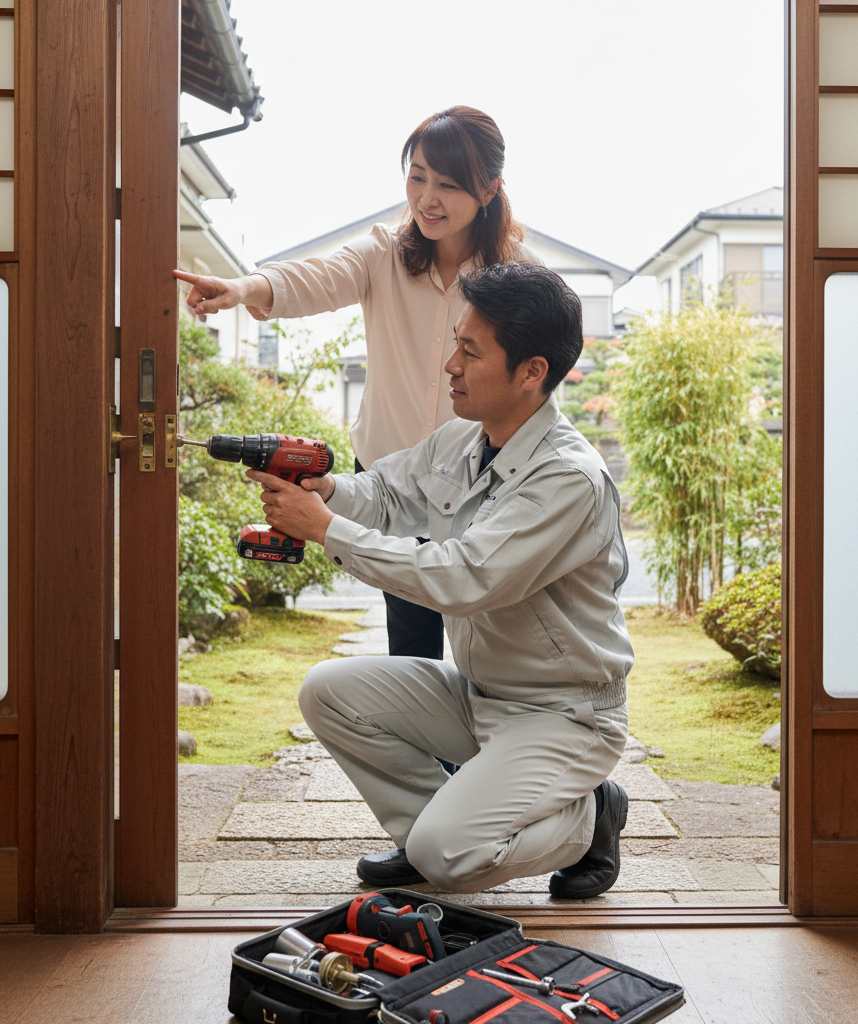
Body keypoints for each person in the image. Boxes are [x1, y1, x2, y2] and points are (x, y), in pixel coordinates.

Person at [246, 262, 633, 898]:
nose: (450, 363)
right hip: (482, 694)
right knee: (328, 690)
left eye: (470, 350)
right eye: (456, 342)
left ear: (532, 371)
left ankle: (590, 820)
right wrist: (326, 491)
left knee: (449, 858)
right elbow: (386, 494)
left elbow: (466, 577)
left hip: (564, 715)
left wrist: (323, 529)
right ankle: (427, 832)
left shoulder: (568, 479)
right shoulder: (463, 438)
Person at [173, 107, 542, 673]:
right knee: (412, 642)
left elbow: (543, 374)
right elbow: (316, 277)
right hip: (391, 481)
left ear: (489, 190)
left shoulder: (518, 277)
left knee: (487, 636)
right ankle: (428, 760)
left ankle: (489, 754)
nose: (427, 199)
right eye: (417, 176)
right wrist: (242, 286)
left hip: (481, 483)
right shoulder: (384, 254)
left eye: (448, 184)